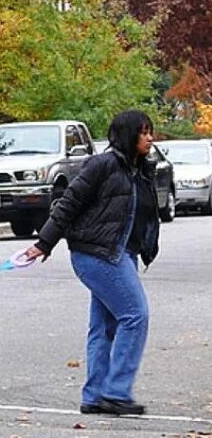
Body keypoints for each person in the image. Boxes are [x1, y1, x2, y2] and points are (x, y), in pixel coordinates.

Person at [23, 110, 159, 416]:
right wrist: (44, 243)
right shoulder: (103, 165)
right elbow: (69, 203)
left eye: (151, 131)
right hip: (98, 253)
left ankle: (95, 395)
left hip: (123, 253)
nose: (150, 137)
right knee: (135, 315)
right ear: (128, 134)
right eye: (144, 132)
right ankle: (117, 393)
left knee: (105, 326)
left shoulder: (141, 169)